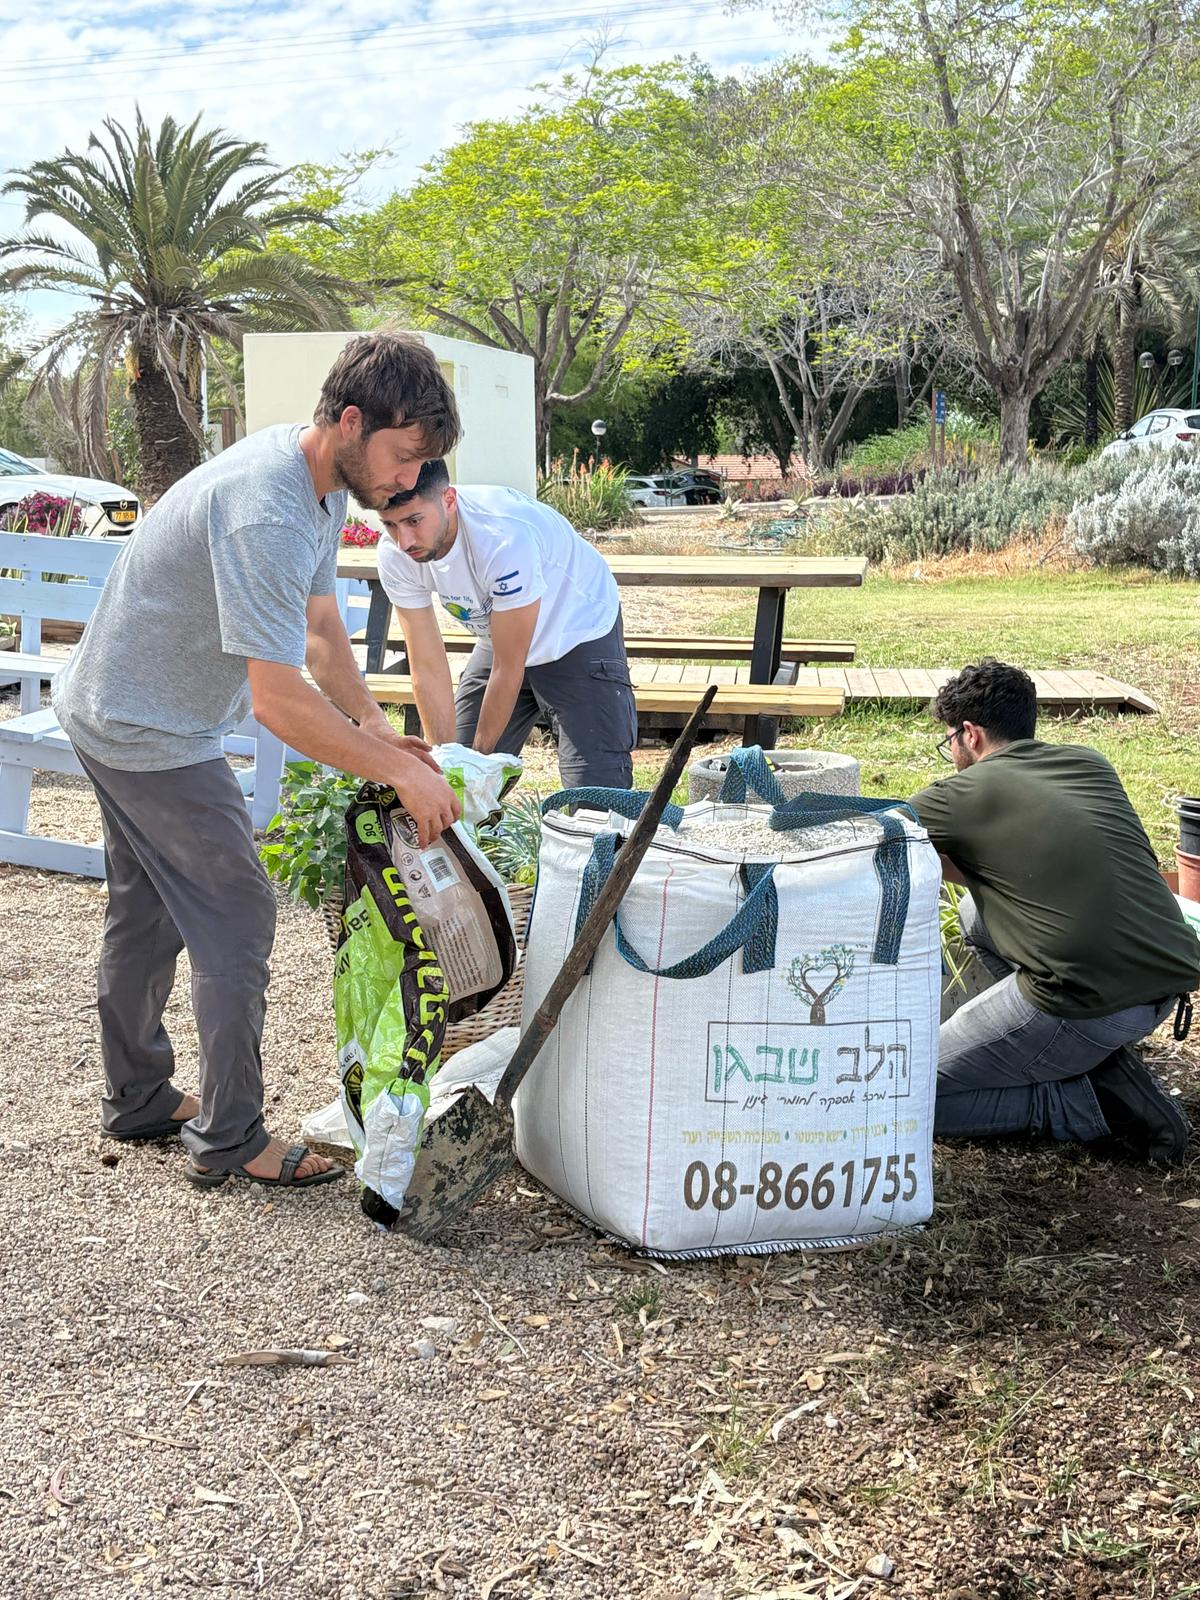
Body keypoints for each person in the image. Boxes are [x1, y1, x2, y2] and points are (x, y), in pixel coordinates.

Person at [53, 332, 463, 1191]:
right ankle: (231, 1138)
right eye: (401, 456)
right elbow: (277, 702)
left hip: (116, 705)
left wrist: (376, 729)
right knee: (237, 914)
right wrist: (398, 773)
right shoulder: (269, 509)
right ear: (350, 421)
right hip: (147, 729)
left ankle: (137, 1098)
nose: (406, 480)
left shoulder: (316, 485)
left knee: (145, 911)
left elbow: (321, 630)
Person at [910, 658, 1199, 1165]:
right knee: (977, 915)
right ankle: (1096, 1064)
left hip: (1083, 999)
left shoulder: (960, 794)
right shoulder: (1088, 763)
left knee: (905, 1095)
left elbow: (866, 832)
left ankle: (1092, 1103)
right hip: (1162, 982)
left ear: (970, 734)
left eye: (949, 740)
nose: (950, 752)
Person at [376, 460, 636, 788]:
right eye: (390, 525)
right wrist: (449, 769)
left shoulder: (503, 537)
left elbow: (508, 667)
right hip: (501, 636)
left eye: (414, 521)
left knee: (595, 796)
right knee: (455, 769)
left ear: (449, 500)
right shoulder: (394, 553)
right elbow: (426, 668)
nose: (404, 541)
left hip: (575, 630)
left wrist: (476, 769)